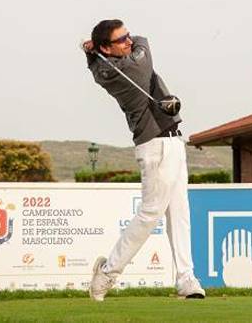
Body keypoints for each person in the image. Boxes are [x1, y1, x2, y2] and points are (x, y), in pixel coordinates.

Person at [81, 19, 205, 301]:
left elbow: (119, 48)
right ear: (106, 48)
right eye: (121, 40)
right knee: (150, 213)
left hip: (172, 141)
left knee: (179, 214)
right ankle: (108, 273)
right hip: (156, 145)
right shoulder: (131, 67)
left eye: (127, 36)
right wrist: (93, 50)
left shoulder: (101, 66)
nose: (128, 41)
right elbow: (144, 41)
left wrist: (90, 52)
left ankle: (187, 280)